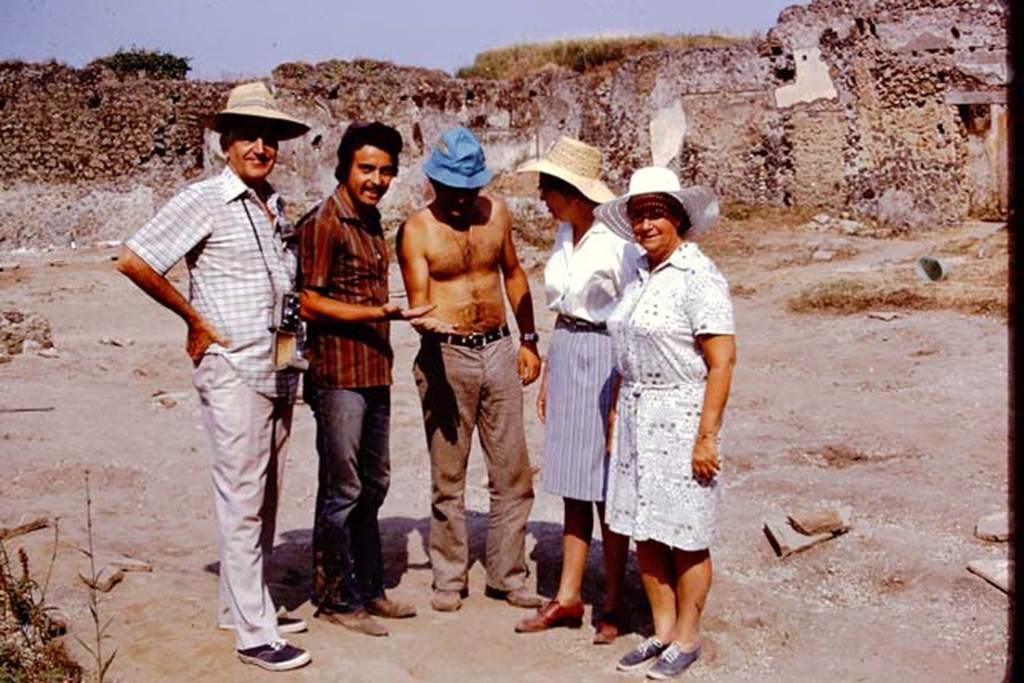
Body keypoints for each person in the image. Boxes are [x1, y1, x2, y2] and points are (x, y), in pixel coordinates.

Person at [117, 82, 312, 672]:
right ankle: (255, 635)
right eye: (248, 135)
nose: (260, 145)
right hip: (231, 368)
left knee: (266, 489)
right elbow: (135, 259)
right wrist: (193, 318)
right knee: (242, 498)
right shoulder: (203, 200)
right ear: (224, 141)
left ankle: (241, 603)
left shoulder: (272, 202)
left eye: (269, 137)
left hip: (275, 366)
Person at [397, 126, 544, 613]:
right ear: (435, 184)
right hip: (447, 355)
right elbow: (420, 305)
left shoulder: (496, 214)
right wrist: (436, 327)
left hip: (500, 350)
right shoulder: (417, 230)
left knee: (512, 472)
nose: (461, 199)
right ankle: (449, 576)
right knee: (449, 475)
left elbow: (514, 273)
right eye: (451, 190)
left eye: (469, 189)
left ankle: (507, 574)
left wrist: (528, 339)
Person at [597, 167, 736, 680]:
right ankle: (660, 629)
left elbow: (722, 362)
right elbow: (626, 353)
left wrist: (706, 437)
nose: (646, 224)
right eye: (638, 214)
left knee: (686, 531)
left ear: (678, 218)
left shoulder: (699, 277)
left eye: (655, 213)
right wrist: (615, 415)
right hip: (636, 414)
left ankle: (688, 636)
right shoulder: (638, 273)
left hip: (681, 416)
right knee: (644, 529)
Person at [297, 121, 430, 637]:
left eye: (386, 171)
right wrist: (380, 312)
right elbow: (309, 300)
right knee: (343, 487)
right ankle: (335, 597)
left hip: (373, 371)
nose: (377, 179)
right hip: (337, 375)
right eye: (367, 169)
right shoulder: (325, 223)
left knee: (373, 484)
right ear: (346, 167)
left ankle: (370, 589)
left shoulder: (369, 221)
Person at [511, 137, 637, 643]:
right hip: (568, 352)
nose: (543, 197)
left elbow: (630, 316)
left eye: (549, 188)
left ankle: (614, 599)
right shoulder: (565, 234)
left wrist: (623, 391)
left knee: (607, 485)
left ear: (576, 192)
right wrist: (549, 376)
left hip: (607, 355)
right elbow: (563, 308)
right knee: (571, 482)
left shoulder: (617, 242)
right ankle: (568, 596)